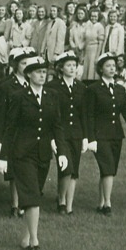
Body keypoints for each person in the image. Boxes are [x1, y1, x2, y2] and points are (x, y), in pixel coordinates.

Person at [0, 56, 69, 250]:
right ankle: (34, 240)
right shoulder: (19, 96)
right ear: (29, 74)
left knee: (34, 195)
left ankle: (26, 237)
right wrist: (3, 156)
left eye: (45, 72)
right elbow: (10, 128)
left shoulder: (52, 96)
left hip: (43, 153)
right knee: (31, 195)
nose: (42, 76)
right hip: (22, 154)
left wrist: (62, 152)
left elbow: (57, 126)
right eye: (38, 72)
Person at [83, 52, 126, 215]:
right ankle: (107, 203)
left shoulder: (120, 89)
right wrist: (91, 138)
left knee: (109, 169)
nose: (112, 68)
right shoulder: (93, 89)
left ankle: (101, 203)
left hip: (116, 135)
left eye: (114, 66)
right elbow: (89, 114)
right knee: (107, 168)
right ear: (100, 69)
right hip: (100, 136)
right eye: (108, 66)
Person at [48, 51, 86, 214]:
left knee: (74, 169)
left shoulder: (81, 87)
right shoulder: (53, 87)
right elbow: (50, 114)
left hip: (76, 133)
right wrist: (51, 138)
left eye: (74, 65)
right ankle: (61, 199)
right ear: (61, 68)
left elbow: (83, 113)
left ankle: (68, 205)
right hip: (60, 133)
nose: (72, 68)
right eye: (68, 65)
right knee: (66, 168)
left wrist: (85, 137)